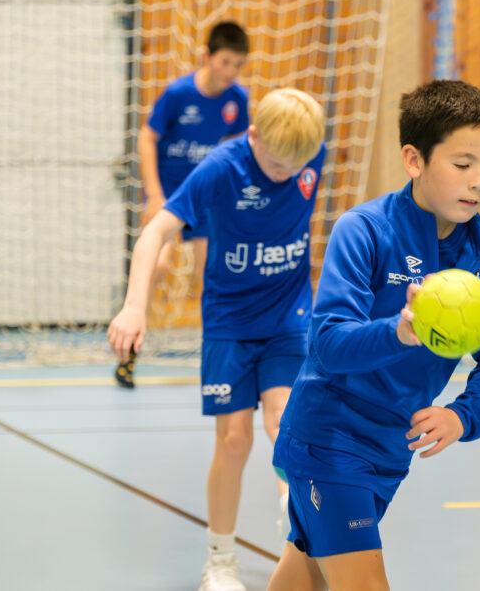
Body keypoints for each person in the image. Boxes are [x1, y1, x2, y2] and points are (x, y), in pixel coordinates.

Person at [266, 80, 480, 591]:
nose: (478, 181)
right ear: (414, 160)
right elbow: (328, 345)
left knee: (303, 581)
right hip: (329, 440)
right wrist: (401, 332)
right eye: (462, 164)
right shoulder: (363, 230)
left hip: (389, 450)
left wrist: (463, 414)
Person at [108, 87, 326, 591]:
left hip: (290, 316)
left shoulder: (308, 153)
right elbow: (154, 234)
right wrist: (136, 305)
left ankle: (295, 529)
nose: (283, 174)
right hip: (229, 322)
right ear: (252, 136)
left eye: (293, 167)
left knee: (285, 424)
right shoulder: (221, 168)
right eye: (274, 163)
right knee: (233, 441)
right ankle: (220, 560)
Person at [116, 21, 251, 388]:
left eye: (238, 64)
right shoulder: (178, 94)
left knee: (212, 276)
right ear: (207, 57)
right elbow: (147, 138)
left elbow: (240, 150)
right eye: (225, 62)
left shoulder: (237, 99)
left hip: (208, 196)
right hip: (172, 194)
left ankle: (219, 356)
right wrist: (154, 193)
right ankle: (129, 345)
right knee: (157, 262)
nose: (231, 72)